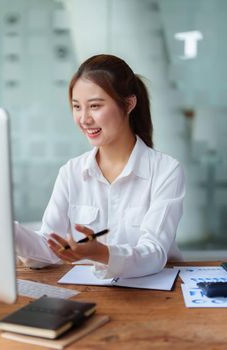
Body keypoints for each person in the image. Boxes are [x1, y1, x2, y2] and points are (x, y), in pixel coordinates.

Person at [14, 54, 184, 279]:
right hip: (91, 294)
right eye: (77, 107)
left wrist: (103, 254)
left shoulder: (165, 170)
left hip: (158, 297)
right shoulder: (71, 172)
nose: (84, 119)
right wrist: (7, 231)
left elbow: (154, 253)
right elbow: (50, 248)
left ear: (129, 104)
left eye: (95, 106)